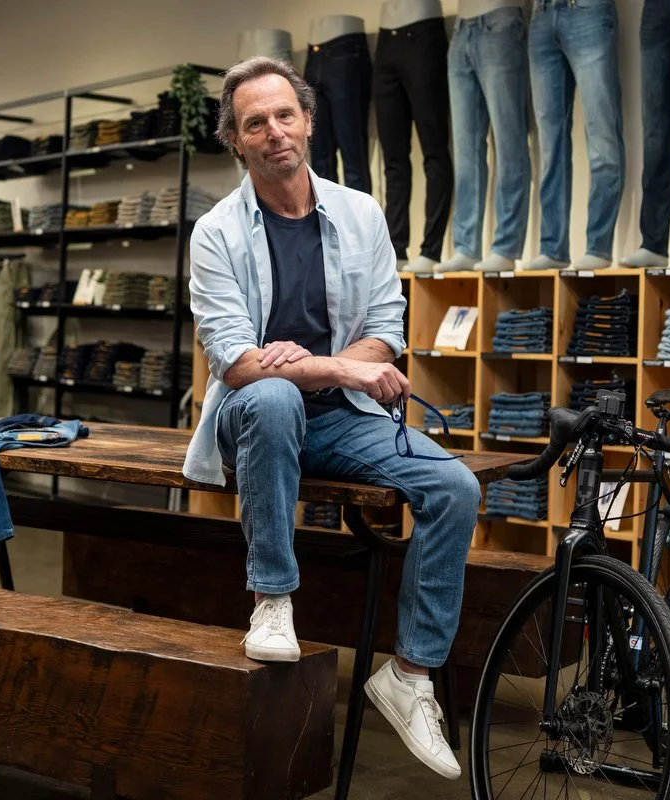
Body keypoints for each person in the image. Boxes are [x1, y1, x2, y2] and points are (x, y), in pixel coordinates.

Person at [182, 56, 481, 780]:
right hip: (250, 418)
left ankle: (410, 678)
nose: (275, 131)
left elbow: (387, 327)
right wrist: (342, 366)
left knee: (455, 490)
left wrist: (330, 367)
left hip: (340, 420)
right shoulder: (216, 233)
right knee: (277, 397)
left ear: (309, 122)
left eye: (286, 115)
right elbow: (238, 364)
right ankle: (273, 598)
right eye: (256, 122)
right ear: (237, 140)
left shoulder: (360, 213)